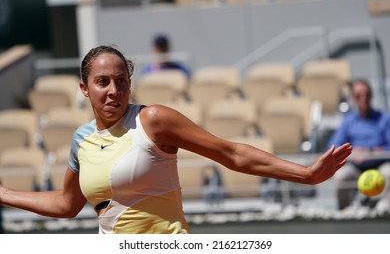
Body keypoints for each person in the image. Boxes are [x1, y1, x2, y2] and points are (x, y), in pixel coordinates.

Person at [0, 45, 352, 234]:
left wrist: (306, 175)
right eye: (102, 82)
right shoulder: (81, 139)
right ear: (84, 89)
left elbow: (231, 153)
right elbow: (66, 205)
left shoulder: (152, 120)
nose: (114, 90)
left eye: (121, 80)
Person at [327, 79, 390, 210]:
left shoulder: (384, 119)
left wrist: (371, 152)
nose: (363, 99)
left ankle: (384, 211)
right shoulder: (347, 121)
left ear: (371, 96)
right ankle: (345, 213)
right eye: (358, 95)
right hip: (355, 167)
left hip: (380, 165)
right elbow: (333, 147)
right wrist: (353, 152)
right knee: (341, 176)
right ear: (352, 98)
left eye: (367, 94)